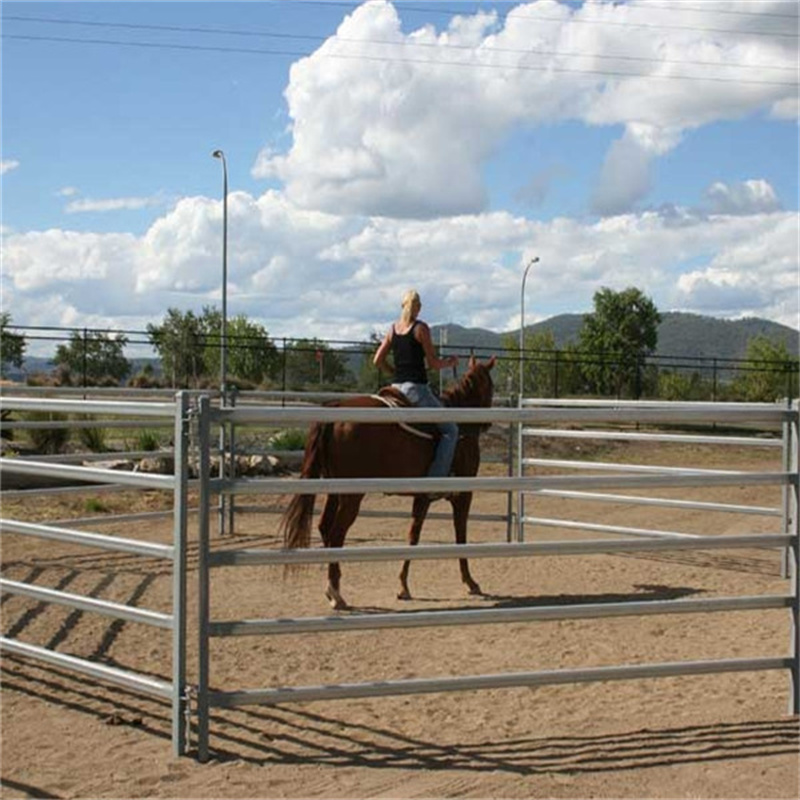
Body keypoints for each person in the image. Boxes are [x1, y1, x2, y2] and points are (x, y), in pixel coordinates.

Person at [373, 289, 459, 478]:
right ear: (418, 308)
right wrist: (450, 362)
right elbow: (434, 364)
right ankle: (436, 480)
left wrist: (393, 372)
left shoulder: (392, 330)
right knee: (451, 430)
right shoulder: (421, 329)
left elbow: (377, 360)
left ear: (402, 306)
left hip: (395, 389)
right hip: (416, 390)